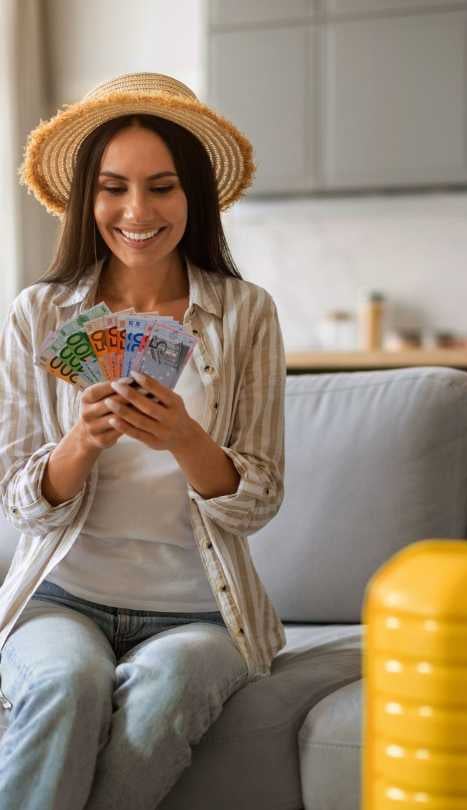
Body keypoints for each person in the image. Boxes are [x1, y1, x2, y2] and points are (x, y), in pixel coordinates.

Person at [0, 72, 287, 809]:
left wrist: (188, 439)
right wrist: (79, 447)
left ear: (194, 196)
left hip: (199, 610)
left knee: (165, 692)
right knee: (65, 683)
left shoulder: (245, 313)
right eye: (112, 187)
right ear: (84, 199)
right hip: (61, 598)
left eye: (162, 187)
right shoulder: (38, 314)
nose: (136, 211)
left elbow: (258, 505)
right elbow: (19, 502)